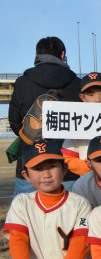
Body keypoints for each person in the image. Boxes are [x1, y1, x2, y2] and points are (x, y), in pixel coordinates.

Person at [9, 36, 81, 196]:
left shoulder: (22, 83)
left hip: (31, 163)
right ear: (63, 55)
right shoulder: (78, 84)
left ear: (37, 55)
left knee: (25, 210)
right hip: (66, 165)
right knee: (70, 210)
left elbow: (15, 123)